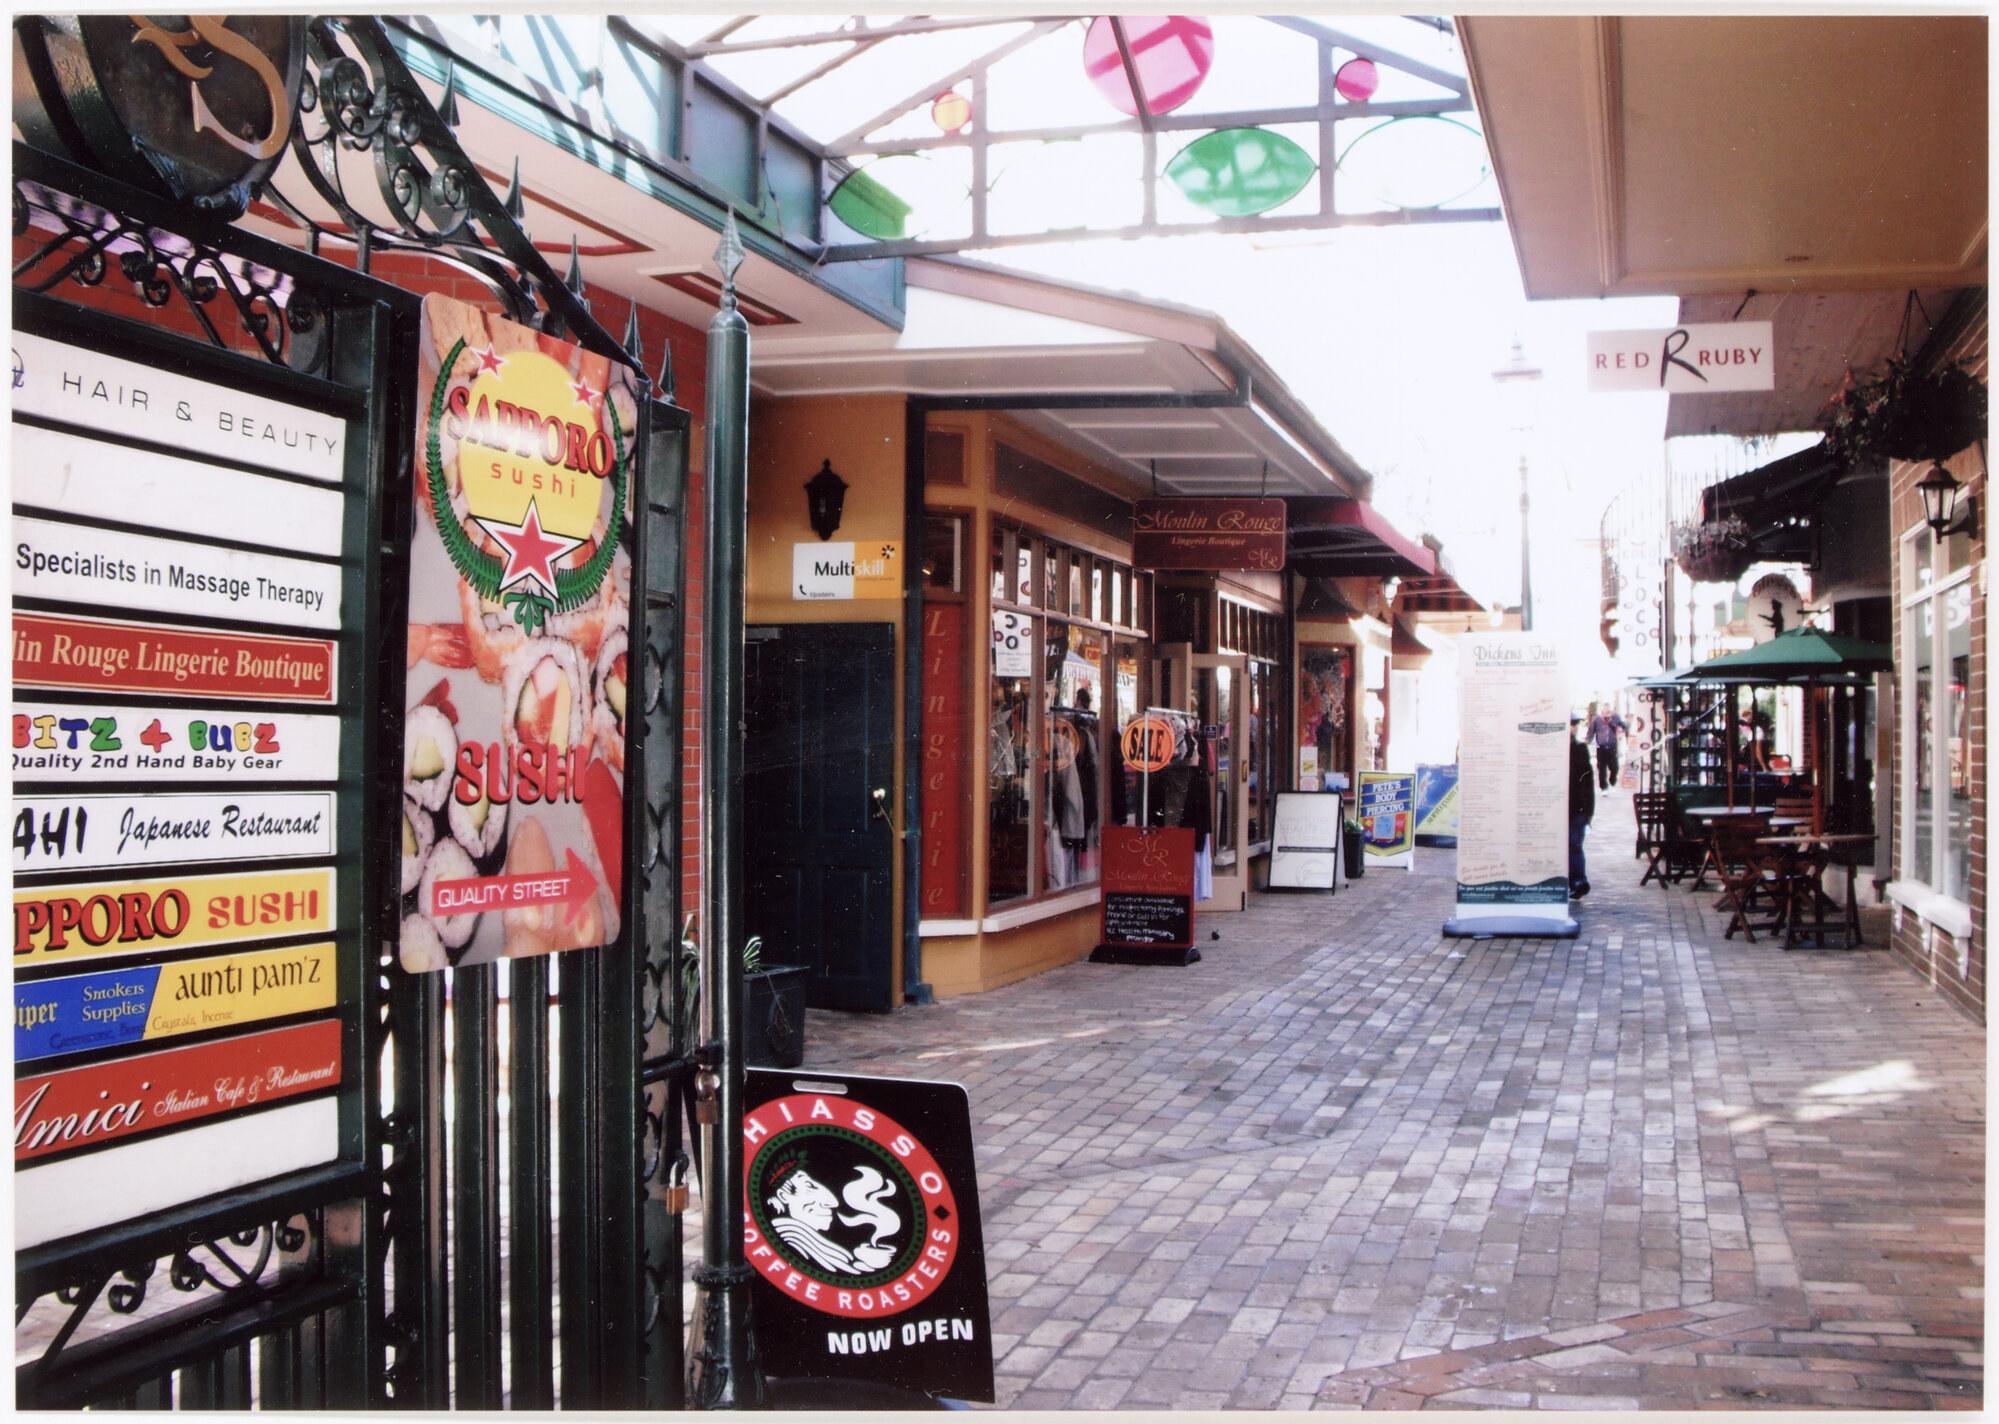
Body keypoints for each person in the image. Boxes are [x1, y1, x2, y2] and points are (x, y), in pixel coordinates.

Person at [1569, 713, 1594, 899]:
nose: (1573, 727)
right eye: (1570, 723)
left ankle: (1579, 881)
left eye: (1575, 724)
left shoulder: (1580, 749)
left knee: (1574, 843)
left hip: (1577, 807)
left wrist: (1588, 811)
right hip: (1558, 807)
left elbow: (1587, 781)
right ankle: (1572, 880)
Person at [1586, 702, 1628, 791]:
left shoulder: (1616, 717)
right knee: (1601, 768)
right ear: (1601, 711)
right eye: (1604, 711)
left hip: (1612, 746)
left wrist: (1621, 732)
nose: (1606, 714)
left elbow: (1625, 727)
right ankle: (1604, 787)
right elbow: (1591, 732)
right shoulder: (1596, 719)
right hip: (1601, 747)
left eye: (1608, 711)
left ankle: (1613, 778)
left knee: (1614, 767)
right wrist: (1587, 741)